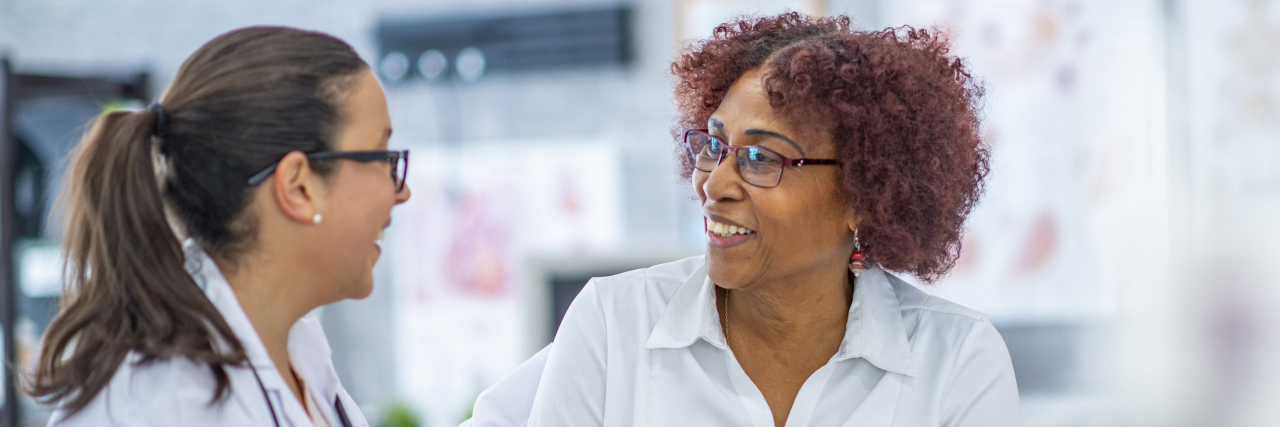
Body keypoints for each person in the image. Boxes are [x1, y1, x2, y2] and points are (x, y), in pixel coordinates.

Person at [464, 12, 1019, 427]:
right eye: (714, 146)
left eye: (761, 158)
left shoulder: (955, 358)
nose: (714, 184)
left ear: (866, 194)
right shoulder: (614, 325)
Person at [28, 26, 411, 427]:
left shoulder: (293, 356)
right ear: (298, 187)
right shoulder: (165, 405)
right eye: (383, 156)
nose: (402, 192)